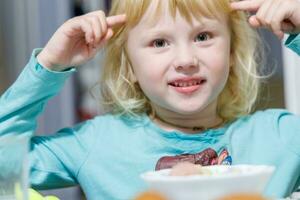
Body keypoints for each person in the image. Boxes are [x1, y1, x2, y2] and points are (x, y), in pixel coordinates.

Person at [0, 0, 300, 199]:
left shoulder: (279, 136)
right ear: (129, 66)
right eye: (159, 42)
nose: (185, 59)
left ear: (232, 53)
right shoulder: (98, 142)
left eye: (203, 36)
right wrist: (49, 65)